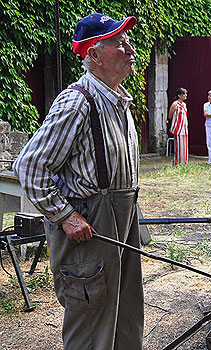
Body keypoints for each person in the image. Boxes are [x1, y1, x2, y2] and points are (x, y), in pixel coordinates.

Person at [13, 13, 143, 350]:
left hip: (121, 224)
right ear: (95, 56)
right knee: (91, 330)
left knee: (125, 322)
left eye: (126, 40)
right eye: (118, 43)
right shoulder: (77, 102)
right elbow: (30, 166)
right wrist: (65, 215)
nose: (129, 48)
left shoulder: (119, 101)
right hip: (91, 229)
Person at [168, 87, 189, 165]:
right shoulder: (175, 104)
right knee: (178, 146)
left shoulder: (184, 105)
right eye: (184, 94)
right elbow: (170, 115)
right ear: (179, 95)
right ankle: (177, 162)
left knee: (184, 145)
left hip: (184, 127)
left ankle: (184, 161)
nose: (185, 95)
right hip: (178, 128)